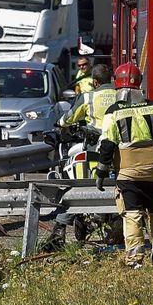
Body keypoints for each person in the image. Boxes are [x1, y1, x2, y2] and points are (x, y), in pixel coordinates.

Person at [95, 62, 153, 268]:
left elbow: (107, 144)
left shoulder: (114, 112)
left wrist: (101, 172)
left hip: (128, 173)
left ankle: (134, 259)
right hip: (152, 171)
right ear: (139, 84)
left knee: (132, 214)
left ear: (117, 86)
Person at [45, 64, 116, 250]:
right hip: (120, 151)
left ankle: (59, 231)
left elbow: (69, 117)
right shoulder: (121, 95)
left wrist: (59, 123)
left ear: (95, 81)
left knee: (76, 188)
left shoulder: (89, 96)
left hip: (95, 149)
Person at [57, 64, 116, 130]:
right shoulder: (120, 93)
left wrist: (60, 122)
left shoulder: (87, 97)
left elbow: (70, 117)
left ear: (95, 82)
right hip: (118, 136)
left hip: (96, 135)